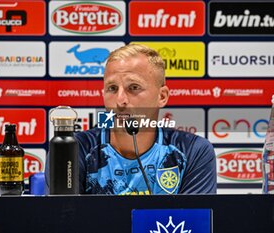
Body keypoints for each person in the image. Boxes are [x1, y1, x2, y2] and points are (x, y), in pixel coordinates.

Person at [74, 44, 217, 195]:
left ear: (162, 97)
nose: (120, 100)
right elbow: (65, 216)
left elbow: (192, 218)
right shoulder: (75, 150)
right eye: (112, 88)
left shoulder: (193, 151)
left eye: (134, 87)